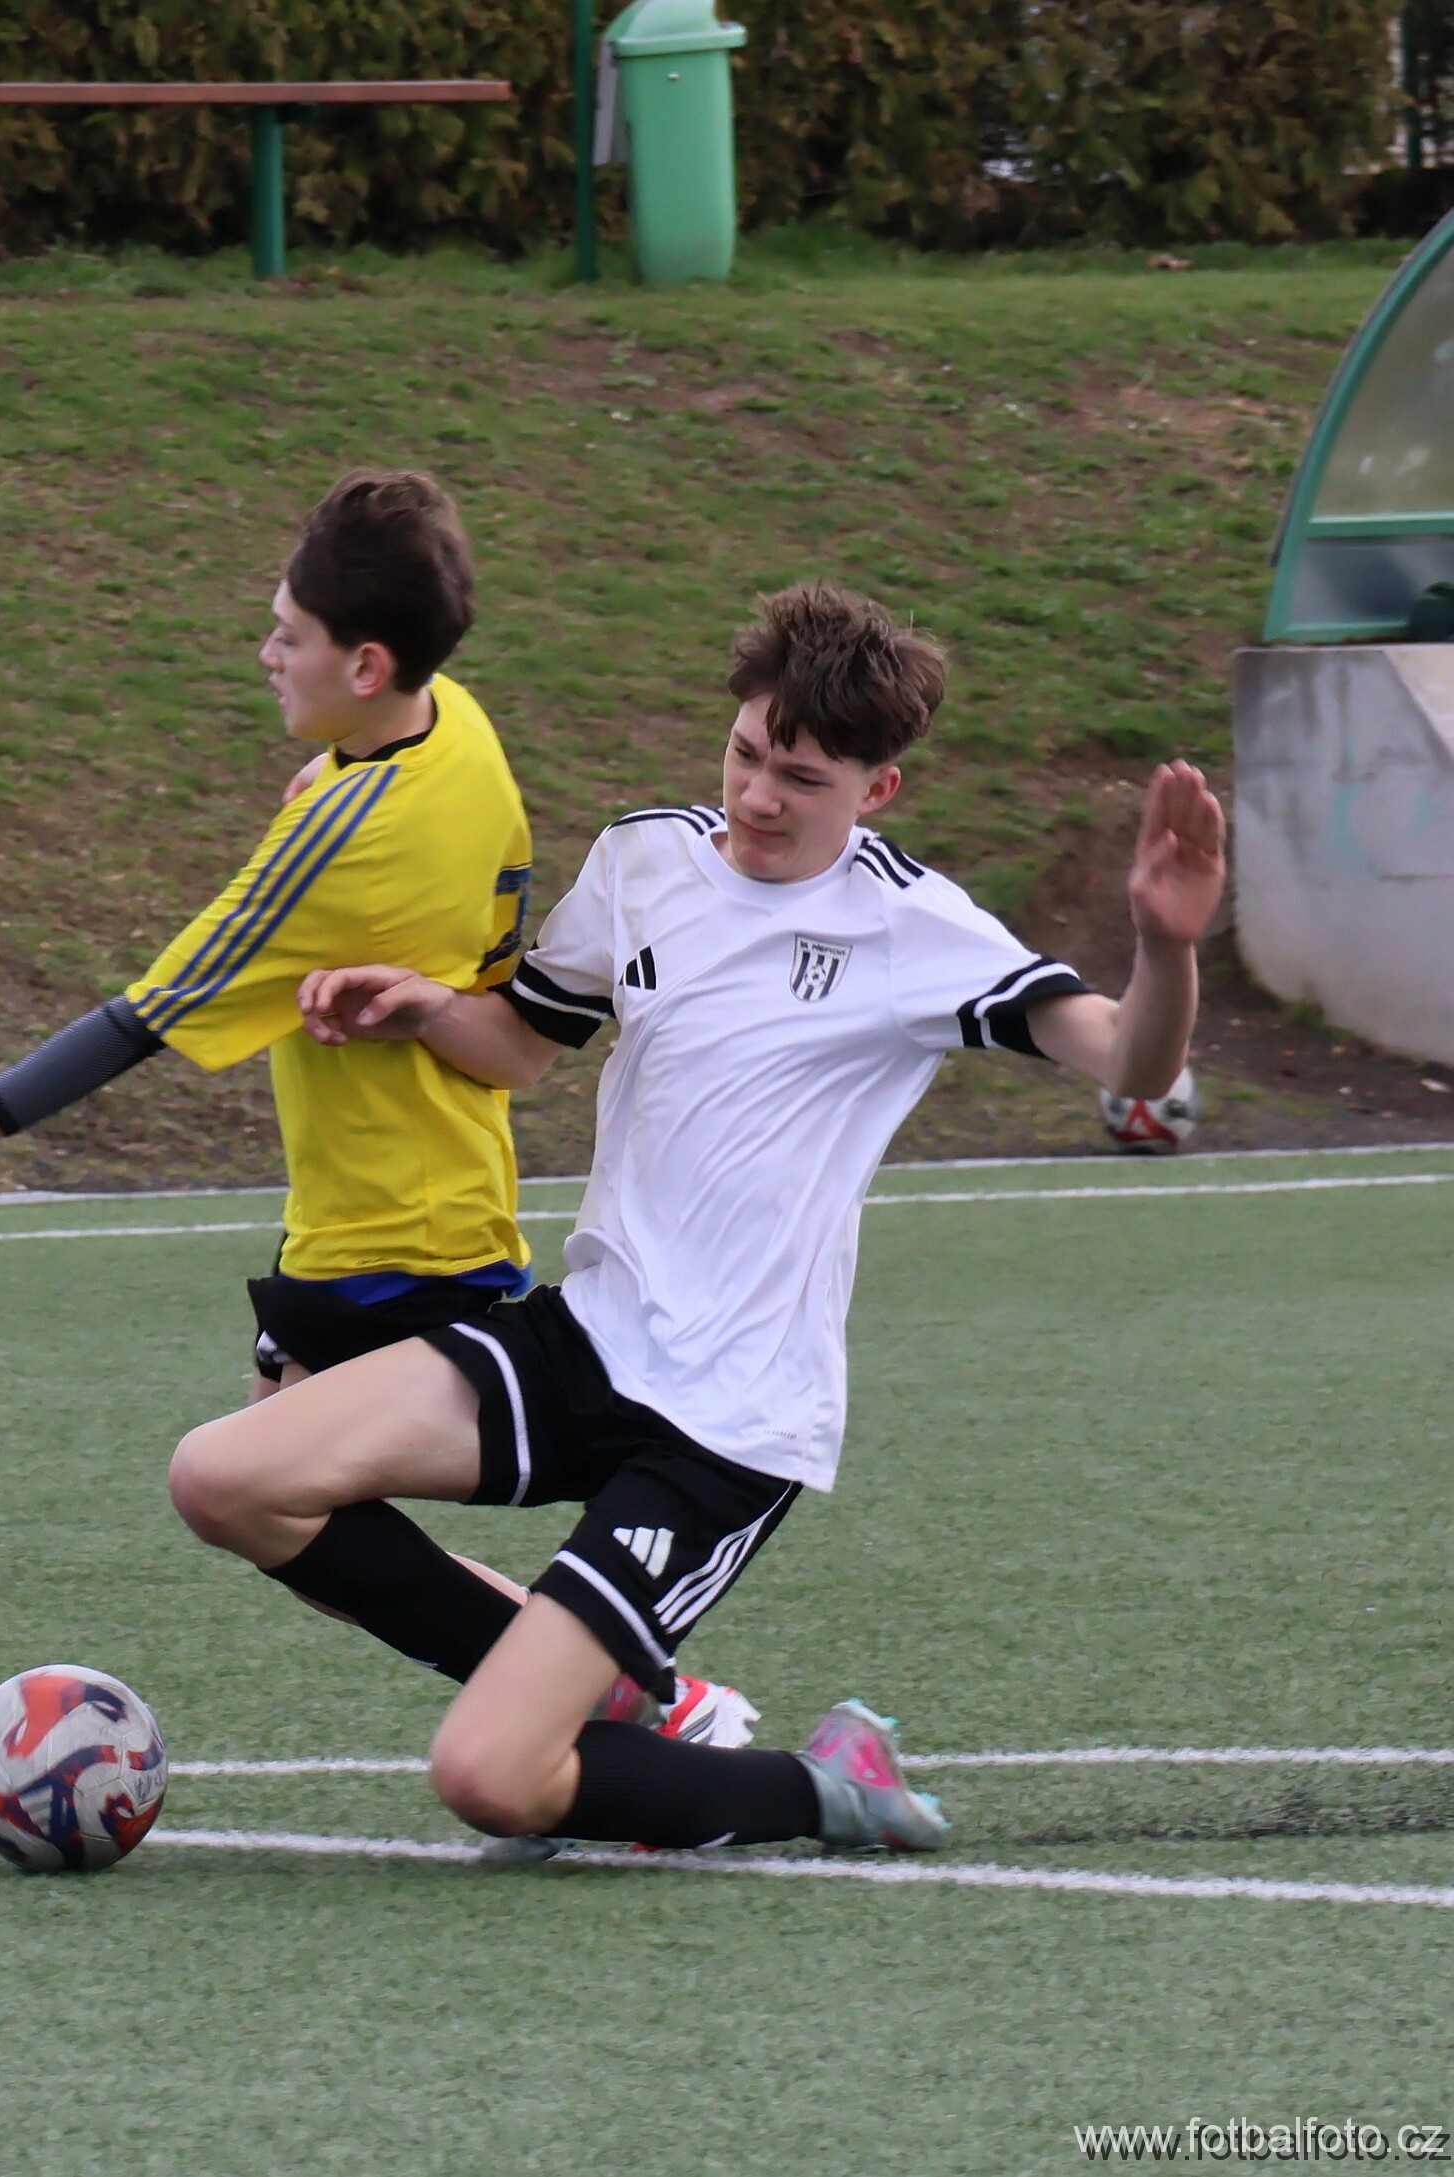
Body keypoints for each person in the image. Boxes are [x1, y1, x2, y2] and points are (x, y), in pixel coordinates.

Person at [166, 579, 1228, 1857]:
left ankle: (826, 1784)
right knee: (225, 1475)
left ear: (877, 790)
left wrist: (1165, 945)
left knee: (487, 1776)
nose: (760, 795)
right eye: (746, 752)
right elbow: (523, 1044)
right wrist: (427, 1007)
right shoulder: (646, 860)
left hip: (724, 1419)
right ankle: (614, 1689)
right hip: (585, 1338)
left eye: (804, 778)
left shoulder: (912, 927)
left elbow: (1131, 1062)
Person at [0, 469, 750, 1746]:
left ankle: (629, 1704)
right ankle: (610, 1700)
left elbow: (149, 1012)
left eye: (288, 633)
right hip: (398, 1208)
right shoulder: (453, 725)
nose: (266, 651)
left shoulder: (346, 832)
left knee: (265, 1499)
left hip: (396, 1239)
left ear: (367, 663)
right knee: (293, 1513)